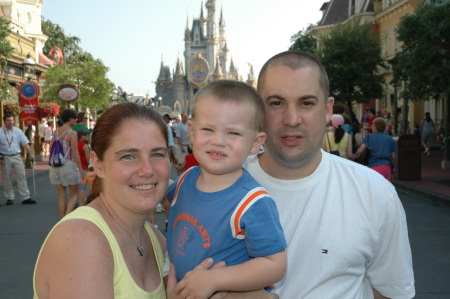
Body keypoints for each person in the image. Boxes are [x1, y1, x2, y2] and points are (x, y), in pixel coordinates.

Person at [240, 51, 414, 298]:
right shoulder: (216, 189)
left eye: (306, 103)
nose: (291, 119)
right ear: (257, 108)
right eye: (276, 103)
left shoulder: (374, 192)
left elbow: (390, 292)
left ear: (327, 109)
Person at [33, 103, 172, 298]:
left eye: (157, 154)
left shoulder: (156, 240)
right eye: (129, 156)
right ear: (97, 164)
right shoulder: (81, 240)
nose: (147, 170)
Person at [166, 80, 287, 298]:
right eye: (208, 129)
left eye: (233, 133)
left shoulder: (252, 202)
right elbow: (157, 194)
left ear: (255, 142)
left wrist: (213, 280)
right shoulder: (185, 180)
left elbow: (275, 265)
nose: (218, 141)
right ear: (191, 132)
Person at [49, 109, 84, 217]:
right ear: (70, 119)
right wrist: (80, 169)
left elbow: (51, 148)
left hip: (55, 166)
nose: (76, 120)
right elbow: (75, 152)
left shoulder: (56, 132)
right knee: (74, 193)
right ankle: (67, 217)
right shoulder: (72, 133)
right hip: (68, 165)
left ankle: (61, 218)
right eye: (75, 118)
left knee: (61, 194)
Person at [0, 113, 36, 205]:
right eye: (8, 121)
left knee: (21, 176)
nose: (11, 122)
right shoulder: (0, 132)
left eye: (12, 120)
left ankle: (25, 197)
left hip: (16, 156)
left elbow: (25, 144)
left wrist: (31, 154)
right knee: (7, 178)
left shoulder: (18, 131)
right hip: (5, 157)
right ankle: (9, 197)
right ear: (4, 122)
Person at [77, 129, 90, 206]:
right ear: (80, 136)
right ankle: (81, 203)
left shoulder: (74, 144)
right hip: (83, 167)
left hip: (75, 167)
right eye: (85, 135)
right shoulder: (84, 146)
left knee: (77, 187)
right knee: (83, 187)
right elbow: (87, 158)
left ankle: (78, 200)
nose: (87, 136)